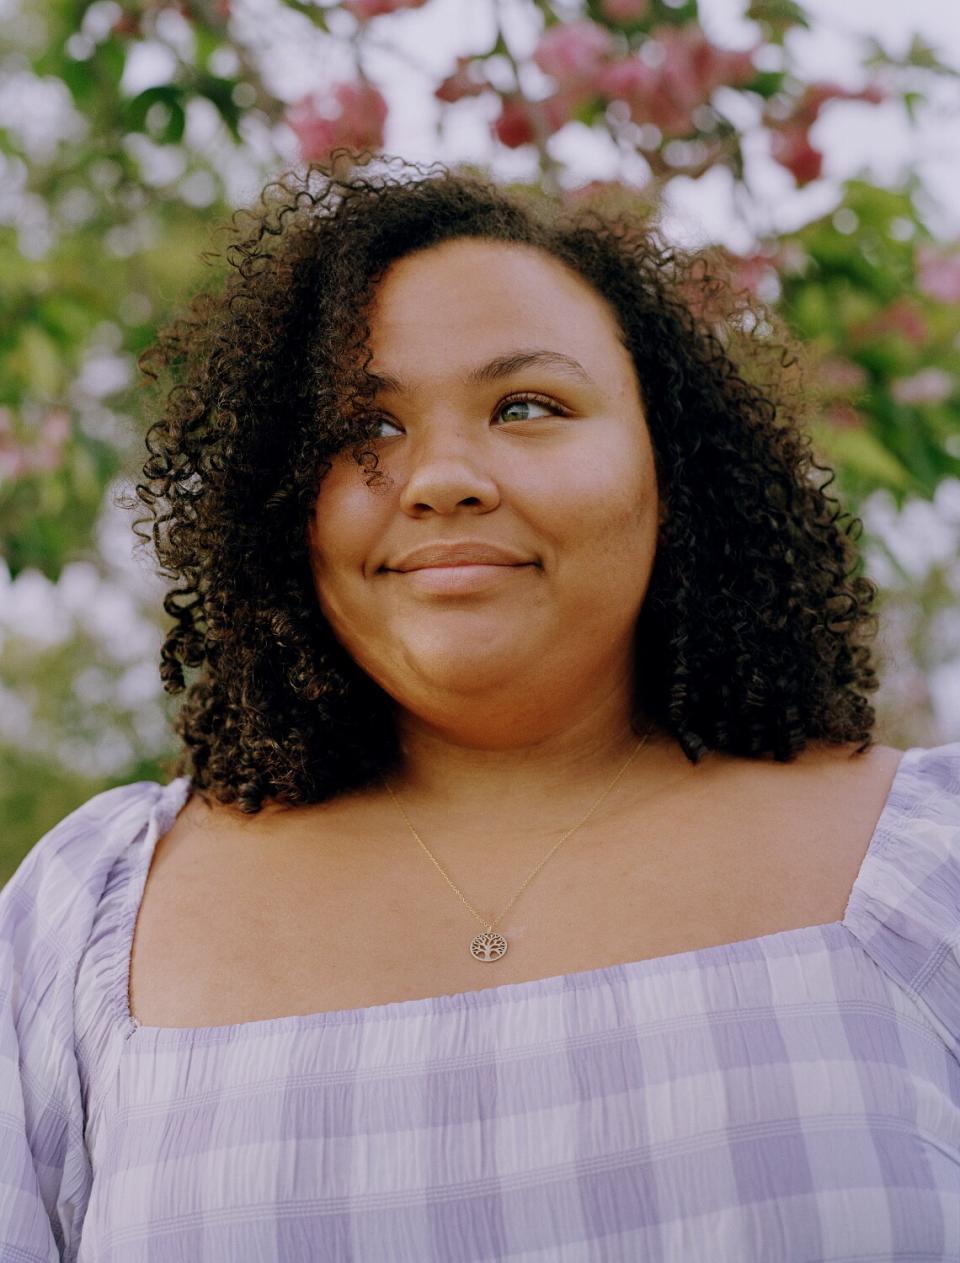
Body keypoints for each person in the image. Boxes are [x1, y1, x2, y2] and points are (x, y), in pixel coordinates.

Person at [1, 159, 958, 1263]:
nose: (440, 477)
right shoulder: (88, 919)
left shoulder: (931, 860)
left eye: (528, 406)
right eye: (363, 424)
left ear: (673, 467)